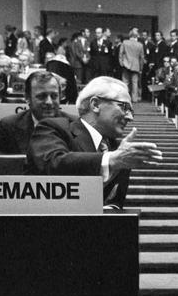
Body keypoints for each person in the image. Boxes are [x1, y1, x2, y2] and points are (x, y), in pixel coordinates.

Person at [27, 76, 162, 207]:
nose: (130, 117)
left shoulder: (118, 149)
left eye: (131, 111)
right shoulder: (52, 128)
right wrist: (110, 160)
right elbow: (53, 163)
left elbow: (114, 203)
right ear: (95, 104)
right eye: (124, 107)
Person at [0, 71, 67, 155]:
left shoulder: (73, 125)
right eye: (42, 96)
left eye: (54, 96)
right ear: (27, 98)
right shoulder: (9, 126)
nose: (49, 102)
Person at [118, 28, 145, 102]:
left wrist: (121, 63)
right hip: (136, 65)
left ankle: (124, 98)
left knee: (125, 82)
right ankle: (134, 98)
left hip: (126, 64)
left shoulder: (125, 42)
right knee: (135, 83)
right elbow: (142, 57)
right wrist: (141, 67)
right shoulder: (140, 45)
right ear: (137, 36)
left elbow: (120, 53)